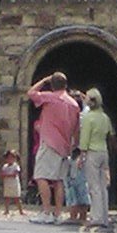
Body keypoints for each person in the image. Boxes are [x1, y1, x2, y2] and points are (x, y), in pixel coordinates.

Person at [25, 71, 82, 222]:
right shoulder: (74, 104)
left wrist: (44, 79)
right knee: (59, 180)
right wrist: (73, 145)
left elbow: (31, 93)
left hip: (49, 142)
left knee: (41, 176)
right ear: (66, 85)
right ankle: (58, 213)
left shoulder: (50, 98)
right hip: (64, 146)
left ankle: (46, 212)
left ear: (52, 85)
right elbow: (77, 129)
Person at [79, 86, 115, 228]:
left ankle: (96, 217)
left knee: (93, 186)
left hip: (92, 152)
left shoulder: (88, 118)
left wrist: (82, 154)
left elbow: (84, 138)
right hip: (103, 152)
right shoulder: (105, 117)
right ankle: (104, 216)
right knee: (103, 186)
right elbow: (110, 134)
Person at [0, 148, 24, 216]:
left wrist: (7, 175)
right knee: (7, 197)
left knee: (17, 198)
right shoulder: (5, 166)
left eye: (12, 158)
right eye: (9, 158)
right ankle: (6, 210)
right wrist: (6, 175)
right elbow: (2, 174)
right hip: (7, 183)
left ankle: (21, 211)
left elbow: (15, 174)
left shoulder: (16, 166)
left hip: (14, 184)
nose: (10, 159)